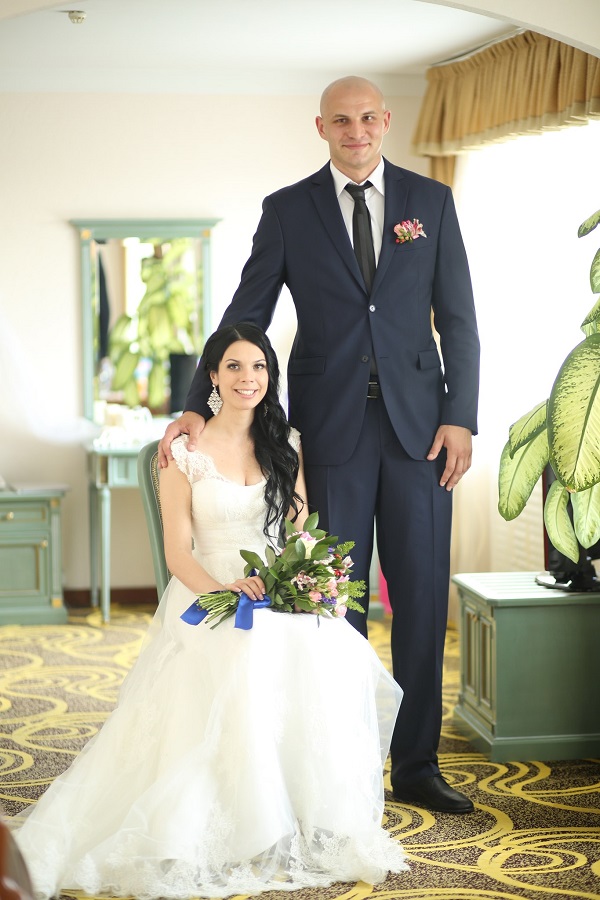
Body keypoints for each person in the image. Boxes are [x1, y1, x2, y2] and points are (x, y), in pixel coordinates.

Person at [159, 76, 480, 814]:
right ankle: (345, 763)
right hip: (328, 433)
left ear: (385, 121)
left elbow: (459, 318)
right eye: (342, 120)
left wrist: (460, 416)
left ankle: (417, 765)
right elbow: (245, 313)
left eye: (367, 118)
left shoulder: (431, 202)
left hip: (422, 433)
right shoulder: (288, 209)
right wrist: (197, 406)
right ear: (321, 127)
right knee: (334, 601)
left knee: (422, 598)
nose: (356, 130)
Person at [12, 323, 407, 899]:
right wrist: (227, 592)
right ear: (214, 377)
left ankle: (304, 811)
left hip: (273, 588)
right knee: (247, 651)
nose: (249, 378)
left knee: (334, 644)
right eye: (235, 367)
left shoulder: (285, 441)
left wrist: (306, 580)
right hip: (209, 591)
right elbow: (178, 554)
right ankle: (247, 823)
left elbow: (297, 528)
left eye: (260, 367)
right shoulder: (183, 452)